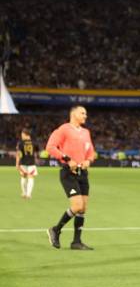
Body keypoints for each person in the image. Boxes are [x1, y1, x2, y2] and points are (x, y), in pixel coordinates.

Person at [46, 105, 95, 250]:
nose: (85, 116)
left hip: (82, 173)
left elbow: (91, 151)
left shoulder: (86, 132)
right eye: (82, 113)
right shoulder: (64, 129)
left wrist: (88, 160)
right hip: (68, 172)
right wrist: (67, 159)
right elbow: (50, 147)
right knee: (77, 206)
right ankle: (56, 229)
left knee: (83, 208)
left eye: (86, 113)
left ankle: (76, 242)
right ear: (73, 114)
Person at [16, 130, 38, 199]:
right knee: (31, 178)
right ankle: (28, 194)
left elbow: (18, 154)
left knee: (23, 177)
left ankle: (24, 193)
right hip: (31, 163)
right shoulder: (34, 142)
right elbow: (36, 153)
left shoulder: (20, 143)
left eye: (22, 135)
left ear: (26, 134)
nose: (21, 136)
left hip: (23, 163)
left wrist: (17, 163)